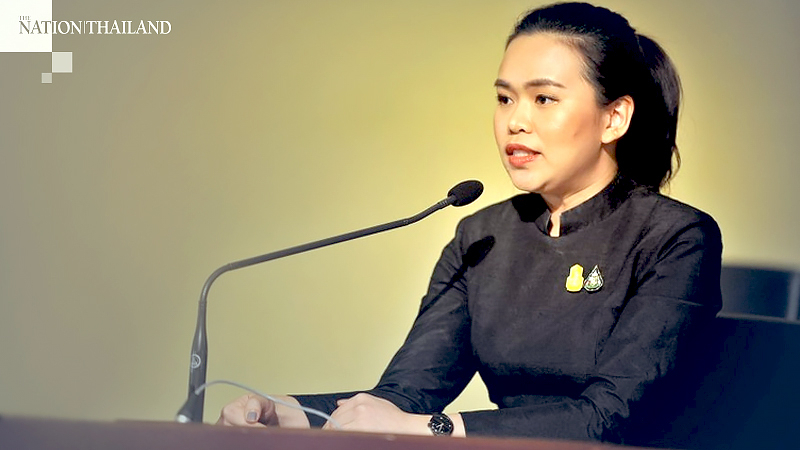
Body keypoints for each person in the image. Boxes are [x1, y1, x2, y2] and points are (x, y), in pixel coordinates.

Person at [217, 2, 722, 443]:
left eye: (544, 99)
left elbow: (611, 417)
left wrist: (436, 428)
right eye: (505, 98)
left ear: (614, 118)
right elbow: (406, 395)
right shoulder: (483, 237)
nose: (515, 121)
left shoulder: (676, 238)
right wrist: (284, 412)